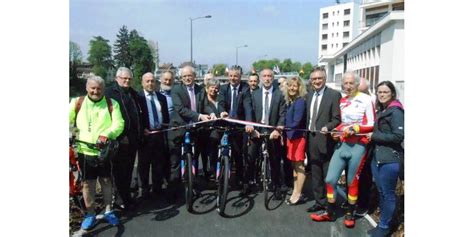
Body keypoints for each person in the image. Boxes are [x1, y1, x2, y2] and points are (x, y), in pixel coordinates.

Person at [311, 71, 375, 229]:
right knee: (330, 179)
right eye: (345, 83)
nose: (348, 86)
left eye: (351, 83)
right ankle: (330, 212)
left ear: (357, 84)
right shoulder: (343, 100)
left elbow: (373, 123)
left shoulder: (366, 99)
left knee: (352, 182)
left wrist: (356, 128)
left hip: (358, 146)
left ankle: (350, 213)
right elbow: (341, 123)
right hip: (342, 145)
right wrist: (336, 131)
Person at [69, 75, 124, 230]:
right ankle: (90, 213)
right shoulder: (77, 103)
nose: (95, 91)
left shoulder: (111, 104)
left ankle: (108, 210)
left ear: (103, 89)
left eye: (99, 88)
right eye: (92, 88)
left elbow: (119, 123)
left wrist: (107, 134)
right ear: (87, 88)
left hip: (104, 151)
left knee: (106, 181)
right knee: (88, 183)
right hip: (84, 151)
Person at [167, 65, 211, 201]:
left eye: (189, 75)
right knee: (175, 162)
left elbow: (206, 105)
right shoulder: (176, 90)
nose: (187, 78)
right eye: (184, 76)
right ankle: (174, 190)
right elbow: (180, 109)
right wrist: (198, 116)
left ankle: (193, 185)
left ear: (194, 76)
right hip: (178, 128)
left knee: (194, 159)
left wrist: (212, 113)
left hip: (195, 129)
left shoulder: (200, 89)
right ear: (181, 77)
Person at [366, 81, 404, 237]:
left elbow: (399, 136)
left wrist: (374, 136)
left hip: (390, 159)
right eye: (379, 92)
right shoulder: (383, 109)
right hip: (378, 158)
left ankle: (384, 227)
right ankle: (383, 224)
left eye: (385, 92)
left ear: (392, 94)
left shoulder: (396, 112)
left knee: (387, 194)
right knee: (382, 192)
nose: (382, 94)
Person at [105, 67, 143, 211]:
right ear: (117, 78)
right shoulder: (109, 93)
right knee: (118, 171)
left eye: (129, 79)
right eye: (124, 78)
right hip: (119, 140)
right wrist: (119, 136)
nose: (127, 81)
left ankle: (127, 197)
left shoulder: (133, 94)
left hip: (133, 139)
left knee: (128, 170)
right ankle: (119, 200)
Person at [246, 68, 287, 199]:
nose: (267, 78)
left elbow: (283, 114)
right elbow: (250, 112)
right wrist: (251, 127)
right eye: (264, 76)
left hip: (272, 131)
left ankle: (276, 186)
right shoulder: (254, 94)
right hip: (257, 130)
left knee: (275, 160)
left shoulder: (279, 94)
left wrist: (278, 130)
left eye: (270, 76)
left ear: (273, 78)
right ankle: (248, 184)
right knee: (250, 157)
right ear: (261, 78)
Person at [305, 67, 341, 213]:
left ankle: (330, 205)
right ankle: (319, 202)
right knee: (315, 175)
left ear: (325, 79)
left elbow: (337, 118)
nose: (317, 81)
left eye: (319, 78)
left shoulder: (333, 95)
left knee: (328, 176)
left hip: (326, 141)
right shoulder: (308, 95)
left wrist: (328, 126)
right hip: (311, 140)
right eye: (314, 79)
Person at [218, 65, 253, 194]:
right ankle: (221, 177)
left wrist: (249, 123)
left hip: (239, 126)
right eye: (231, 76)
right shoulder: (223, 88)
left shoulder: (245, 89)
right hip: (226, 123)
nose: (233, 78)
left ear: (240, 77)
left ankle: (240, 179)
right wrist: (222, 112)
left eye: (236, 76)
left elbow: (248, 106)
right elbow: (220, 103)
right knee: (223, 151)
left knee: (240, 154)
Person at [137, 72, 170, 200]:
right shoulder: (138, 98)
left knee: (158, 163)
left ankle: (157, 188)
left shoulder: (161, 97)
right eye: (147, 81)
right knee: (143, 164)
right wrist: (142, 130)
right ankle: (143, 189)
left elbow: (165, 116)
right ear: (142, 83)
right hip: (145, 135)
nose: (150, 83)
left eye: (152, 81)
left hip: (159, 134)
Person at [283, 76, 307, 205]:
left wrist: (283, 128)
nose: (292, 88)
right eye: (290, 85)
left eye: (294, 86)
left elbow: (297, 121)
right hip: (291, 137)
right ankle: (295, 190)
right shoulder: (291, 101)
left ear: (299, 87)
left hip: (298, 137)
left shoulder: (300, 101)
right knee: (294, 165)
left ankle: (298, 194)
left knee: (299, 165)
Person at [355, 77, 378, 216]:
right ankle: (352, 200)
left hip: (368, 144)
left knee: (364, 175)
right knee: (352, 173)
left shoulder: (375, 102)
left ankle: (363, 204)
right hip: (353, 142)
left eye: (363, 92)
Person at [198, 78, 226, 179]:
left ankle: (215, 169)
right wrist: (212, 113)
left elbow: (222, 106)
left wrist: (223, 112)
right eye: (211, 87)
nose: (214, 90)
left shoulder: (220, 97)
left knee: (214, 146)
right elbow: (205, 107)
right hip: (205, 128)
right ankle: (206, 170)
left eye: (216, 88)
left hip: (218, 127)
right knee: (204, 152)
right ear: (207, 88)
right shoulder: (203, 98)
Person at [159, 70, 175, 188]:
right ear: (161, 80)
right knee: (161, 156)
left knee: (173, 156)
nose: (167, 82)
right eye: (165, 79)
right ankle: (162, 180)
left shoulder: (176, 93)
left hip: (174, 128)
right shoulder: (155, 93)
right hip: (160, 129)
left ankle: (173, 181)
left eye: (170, 80)